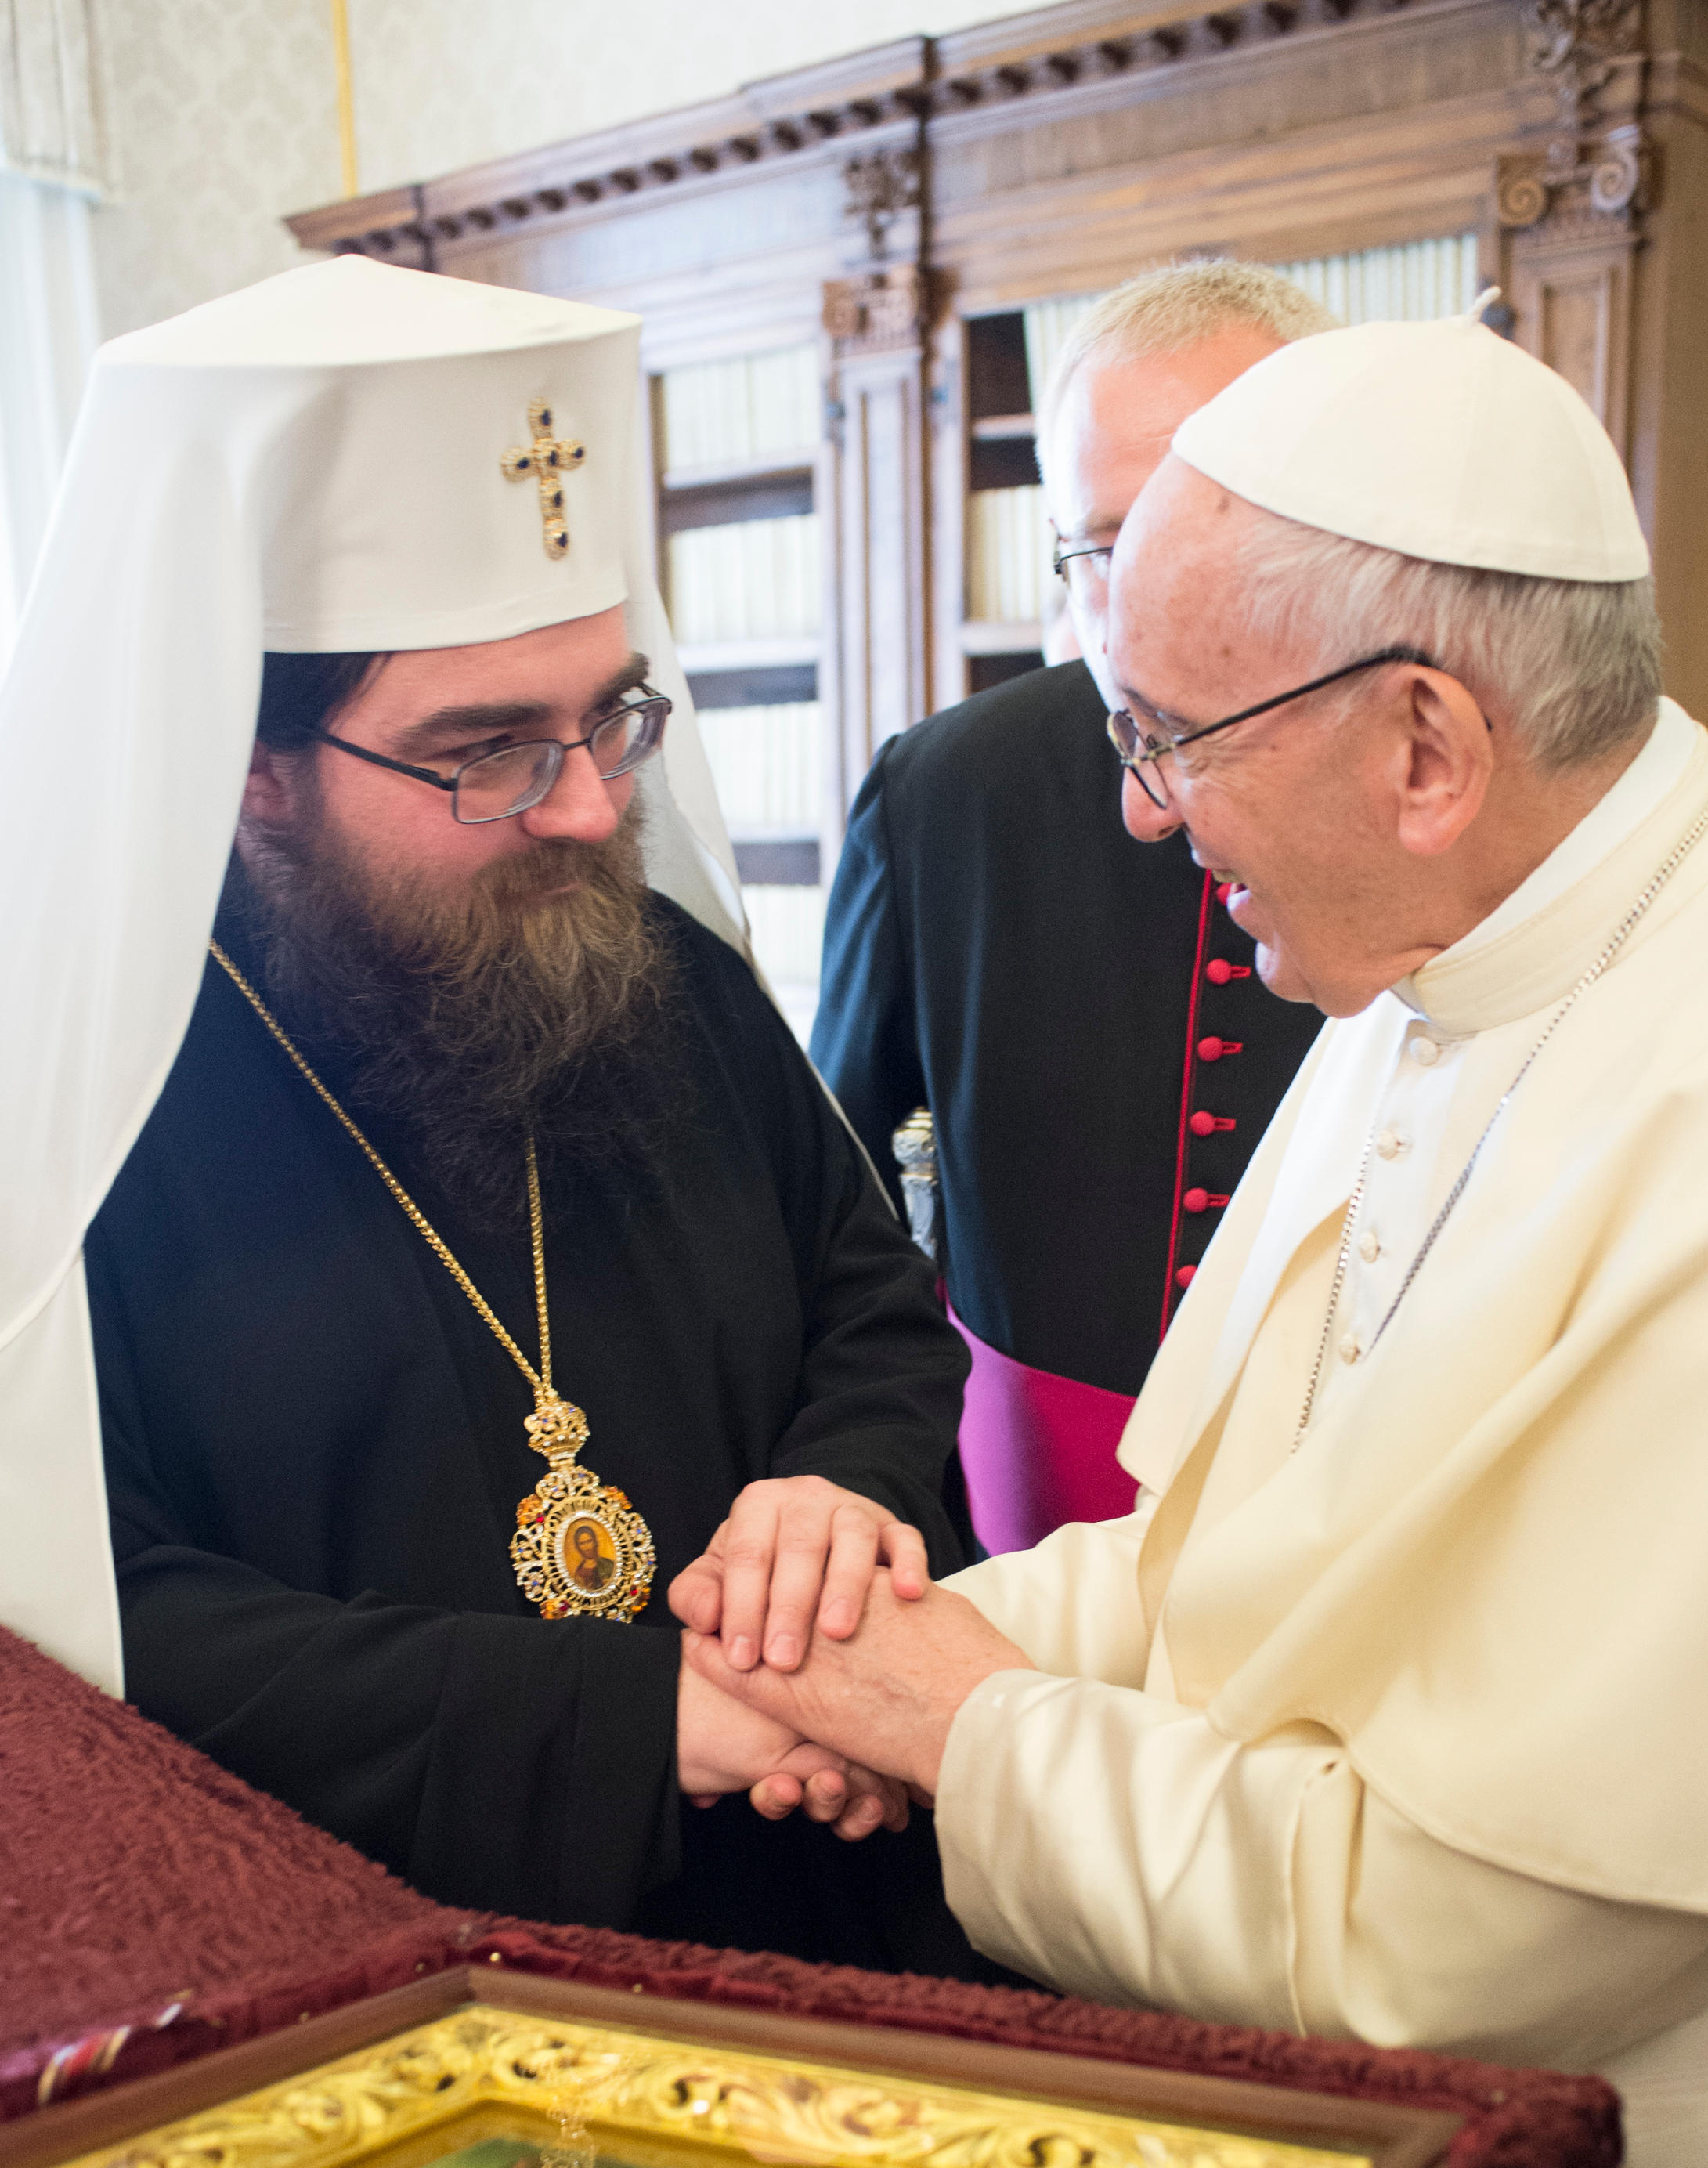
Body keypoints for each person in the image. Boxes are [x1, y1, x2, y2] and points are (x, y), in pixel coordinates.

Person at [684, 310, 1708, 2168]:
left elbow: (1441, 1937)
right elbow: (1232, 1559)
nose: (1135, 817)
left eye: (1171, 740)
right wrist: (881, 1647)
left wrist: (950, 1722)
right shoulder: (1439, 967)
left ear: (1426, 746)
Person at [0, 256, 979, 1973]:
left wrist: (834, 1495)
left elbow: (870, 1297)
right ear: (253, 767)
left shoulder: (661, 970)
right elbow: (94, 1619)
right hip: (374, 1979)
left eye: (611, 718)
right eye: (489, 751)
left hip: (821, 1901)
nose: (589, 808)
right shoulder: (69, 1095)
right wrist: (636, 1722)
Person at [811, 262, 1331, 1554]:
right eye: (1105, 544)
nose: (1149, 593)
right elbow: (834, 1205)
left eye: (1203, 528)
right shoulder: (945, 787)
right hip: (1023, 1509)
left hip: (1346, 1502)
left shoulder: (1435, 775)